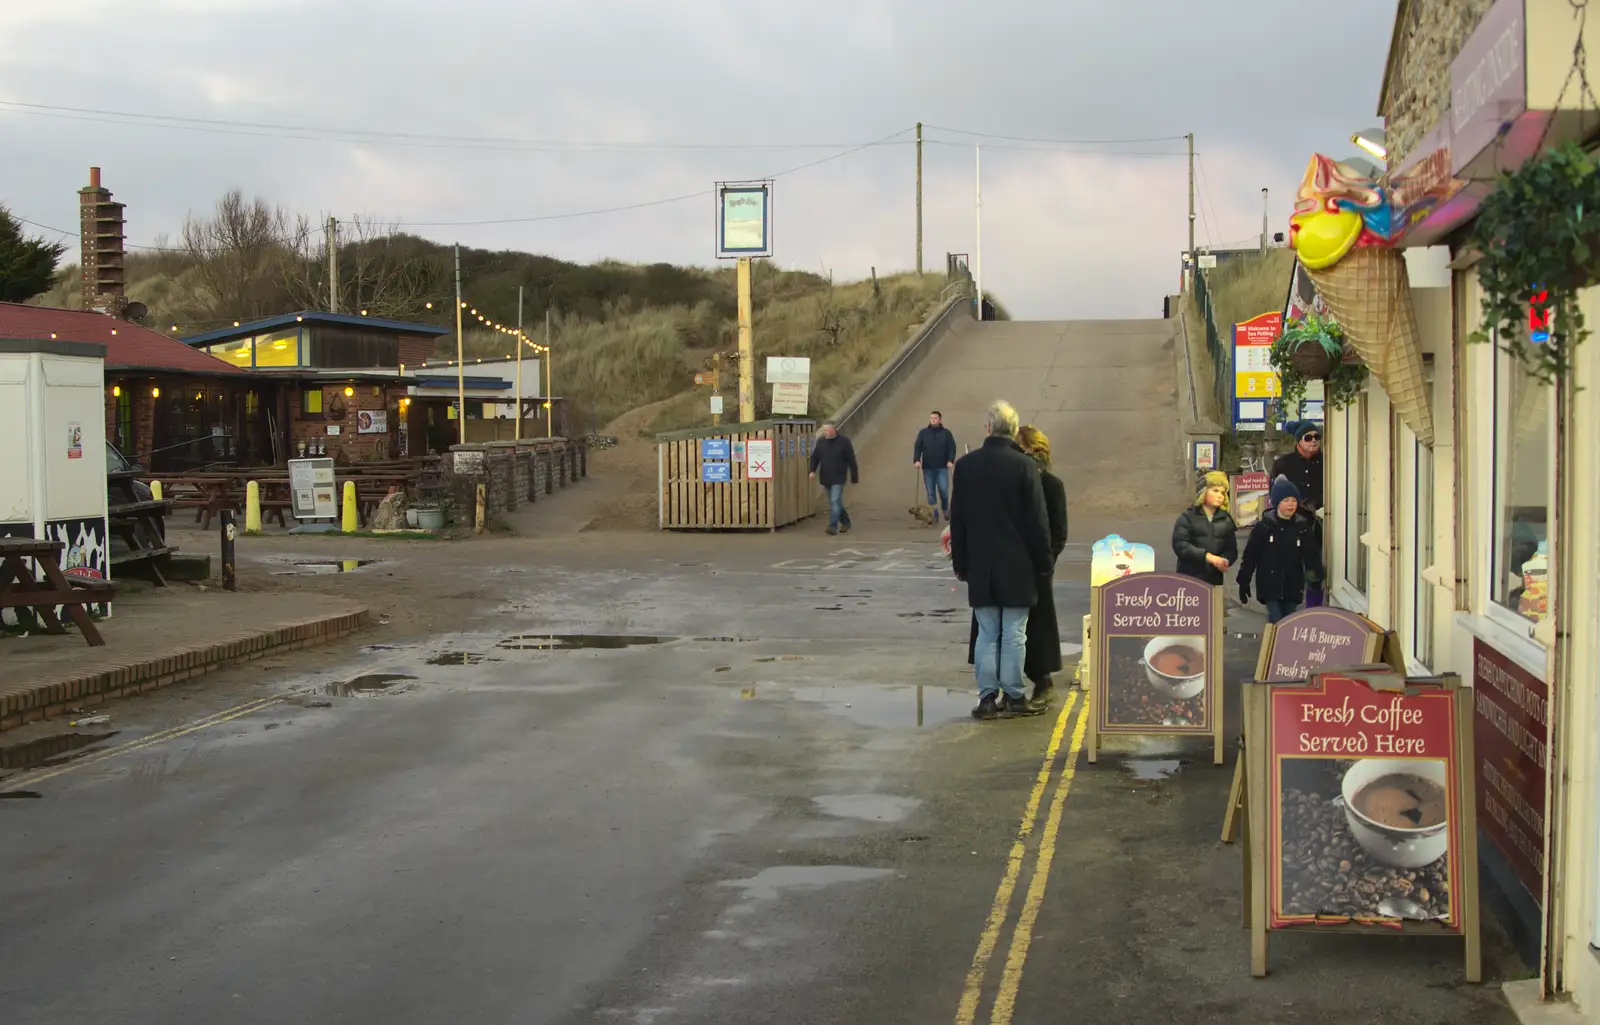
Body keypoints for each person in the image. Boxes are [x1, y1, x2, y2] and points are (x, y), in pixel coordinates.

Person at [950, 400, 1053, 720]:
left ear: (988, 428)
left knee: (987, 632)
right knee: (1014, 634)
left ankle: (986, 699)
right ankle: (1014, 695)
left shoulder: (967, 467)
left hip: (981, 565)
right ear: (1013, 429)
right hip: (1019, 566)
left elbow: (959, 520)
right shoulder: (1025, 467)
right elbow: (1038, 521)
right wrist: (1043, 562)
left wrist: (961, 563)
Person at [965, 424, 1067, 708]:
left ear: (1030, 450)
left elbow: (1058, 531)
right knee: (1005, 632)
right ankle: (1006, 692)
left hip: (1034, 569)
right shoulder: (1010, 477)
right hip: (1009, 567)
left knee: (1029, 632)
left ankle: (1036, 683)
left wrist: (1045, 562)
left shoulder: (1050, 484)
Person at [1238, 475, 1321, 623]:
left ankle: (1280, 645)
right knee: (1276, 620)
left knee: (1289, 620)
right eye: (1286, 500)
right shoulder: (1264, 527)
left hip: (1293, 585)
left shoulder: (1302, 528)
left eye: (1294, 500)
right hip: (1269, 585)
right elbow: (1251, 556)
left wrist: (1315, 577)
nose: (1291, 504)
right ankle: (1272, 645)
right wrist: (1244, 580)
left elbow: (1311, 555)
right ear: (1277, 502)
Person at [1273, 421, 1325, 606]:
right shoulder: (1283, 464)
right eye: (1308, 437)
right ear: (1298, 441)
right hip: (1292, 524)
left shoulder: (1327, 463)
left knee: (1314, 573)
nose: (1313, 441)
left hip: (1319, 525)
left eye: (1317, 437)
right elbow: (1276, 495)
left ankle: (1314, 611)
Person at [1172, 470, 1238, 585]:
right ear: (1204, 492)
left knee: (1214, 603)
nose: (1220, 496)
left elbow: (1231, 549)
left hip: (1214, 579)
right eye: (1215, 491)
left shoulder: (1226, 520)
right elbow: (1180, 545)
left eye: (1223, 492)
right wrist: (1206, 556)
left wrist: (1225, 561)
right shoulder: (1188, 517)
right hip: (1189, 578)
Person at [808, 421, 859, 535]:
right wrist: (812, 471)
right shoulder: (821, 442)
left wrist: (854, 476)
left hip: (839, 476)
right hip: (826, 476)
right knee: (835, 502)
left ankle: (832, 526)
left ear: (833, 430)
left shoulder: (844, 442)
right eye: (823, 430)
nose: (824, 432)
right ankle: (846, 522)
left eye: (826, 430)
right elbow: (815, 457)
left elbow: (851, 460)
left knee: (835, 500)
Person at [913, 410, 958, 522]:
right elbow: (918, 446)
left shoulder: (946, 433)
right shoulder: (923, 433)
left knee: (943, 489)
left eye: (935, 418)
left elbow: (951, 447)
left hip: (942, 466)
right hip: (928, 467)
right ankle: (934, 512)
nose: (933, 420)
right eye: (931, 418)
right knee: (931, 492)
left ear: (940, 419)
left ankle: (945, 509)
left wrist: (950, 460)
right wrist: (917, 460)